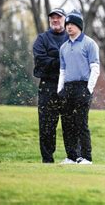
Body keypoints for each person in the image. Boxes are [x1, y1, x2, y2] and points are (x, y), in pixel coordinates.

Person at [57, 10, 100, 165]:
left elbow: (95, 68)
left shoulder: (89, 44)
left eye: (72, 24)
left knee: (81, 123)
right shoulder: (63, 47)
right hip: (67, 88)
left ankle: (86, 157)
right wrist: (59, 90)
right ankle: (71, 156)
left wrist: (88, 89)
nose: (69, 27)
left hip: (83, 86)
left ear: (79, 26)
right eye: (67, 24)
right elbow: (62, 70)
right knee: (67, 123)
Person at [32, 8, 69, 163]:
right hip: (48, 85)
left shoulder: (72, 37)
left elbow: (76, 60)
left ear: (65, 20)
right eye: (52, 18)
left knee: (71, 123)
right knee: (47, 124)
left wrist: (52, 57)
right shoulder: (42, 39)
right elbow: (41, 62)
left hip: (68, 86)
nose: (55, 20)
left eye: (58, 17)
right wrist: (61, 61)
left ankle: (74, 157)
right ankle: (47, 159)